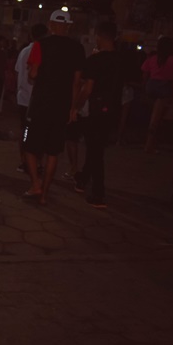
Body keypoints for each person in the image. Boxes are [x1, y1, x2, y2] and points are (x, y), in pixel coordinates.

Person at [22, 10, 85, 205]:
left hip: (40, 104)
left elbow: (33, 74)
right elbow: (77, 82)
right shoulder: (77, 48)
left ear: (50, 25)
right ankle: (45, 194)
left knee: (29, 147)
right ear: (68, 26)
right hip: (62, 106)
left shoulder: (40, 45)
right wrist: (73, 108)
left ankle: (35, 184)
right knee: (53, 152)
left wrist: (35, 72)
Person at [73, 21, 123, 208]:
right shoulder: (120, 60)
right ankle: (82, 179)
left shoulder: (96, 60)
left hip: (96, 108)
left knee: (95, 150)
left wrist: (76, 106)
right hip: (113, 108)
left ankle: (98, 193)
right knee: (96, 146)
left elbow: (87, 88)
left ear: (100, 37)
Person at [141, 36, 173, 153]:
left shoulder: (152, 59)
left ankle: (152, 143)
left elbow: (145, 75)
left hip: (151, 86)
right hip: (165, 88)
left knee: (155, 116)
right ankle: (149, 145)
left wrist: (144, 86)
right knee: (156, 118)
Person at [15, 23, 47, 173]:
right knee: (37, 132)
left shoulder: (24, 51)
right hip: (36, 99)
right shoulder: (42, 51)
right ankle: (36, 161)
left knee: (25, 131)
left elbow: (17, 71)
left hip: (23, 97)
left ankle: (24, 160)